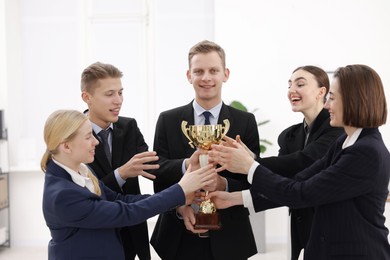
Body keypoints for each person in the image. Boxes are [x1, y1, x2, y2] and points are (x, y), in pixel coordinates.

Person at [208, 64, 390, 259]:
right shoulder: (344, 142)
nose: (327, 105)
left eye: (333, 98)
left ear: (354, 100)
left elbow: (301, 193)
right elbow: (298, 181)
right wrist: (234, 198)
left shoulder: (365, 152)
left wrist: (250, 165)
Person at [41, 109, 216, 260]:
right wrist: (180, 189)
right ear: (66, 146)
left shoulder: (82, 170)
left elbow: (121, 200)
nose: (96, 141)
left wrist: (178, 202)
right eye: (88, 137)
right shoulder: (62, 196)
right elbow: (125, 213)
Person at [150, 40, 260, 260]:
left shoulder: (245, 121)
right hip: (178, 235)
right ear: (189, 76)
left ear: (225, 74)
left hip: (231, 236)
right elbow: (158, 172)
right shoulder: (168, 120)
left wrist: (224, 184)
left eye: (213, 70)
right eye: (198, 71)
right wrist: (181, 206)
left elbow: (255, 178)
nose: (206, 77)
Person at [246, 65, 343, 260]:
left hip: (331, 229)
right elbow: (282, 179)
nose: (292, 90)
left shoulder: (336, 130)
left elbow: (304, 162)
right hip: (301, 228)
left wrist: (252, 162)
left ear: (321, 92)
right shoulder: (289, 136)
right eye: (289, 85)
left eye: (300, 84)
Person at [80, 62, 156, 260]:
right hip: (96, 236)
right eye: (110, 94)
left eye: (120, 92)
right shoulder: (71, 136)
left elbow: (153, 165)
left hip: (132, 234)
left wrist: (186, 164)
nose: (118, 100)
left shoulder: (129, 126)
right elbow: (83, 195)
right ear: (86, 97)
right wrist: (121, 174)